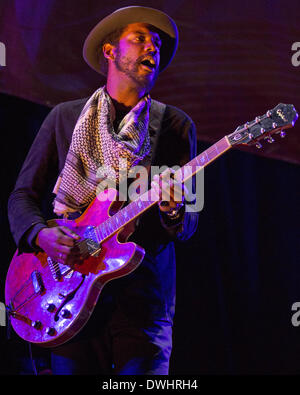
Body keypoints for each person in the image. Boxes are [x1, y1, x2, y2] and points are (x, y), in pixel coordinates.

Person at [7, 6, 199, 375]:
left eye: (157, 44)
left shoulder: (175, 125)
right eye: (140, 38)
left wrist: (174, 209)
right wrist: (40, 234)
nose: (152, 48)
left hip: (142, 302)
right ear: (110, 52)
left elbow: (188, 223)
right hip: (68, 293)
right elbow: (22, 196)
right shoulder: (65, 117)